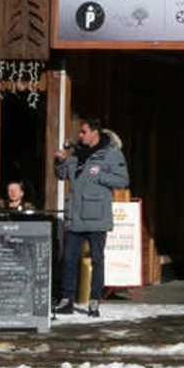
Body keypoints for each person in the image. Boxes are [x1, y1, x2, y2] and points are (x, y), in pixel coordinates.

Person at [53, 117, 128, 315]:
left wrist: (99, 175)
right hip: (75, 216)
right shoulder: (76, 154)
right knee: (69, 259)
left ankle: (94, 300)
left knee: (96, 259)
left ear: (95, 133)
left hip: (96, 218)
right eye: (80, 132)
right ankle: (67, 300)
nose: (80, 135)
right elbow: (62, 175)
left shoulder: (111, 154)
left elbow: (123, 181)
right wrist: (59, 161)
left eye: (83, 132)